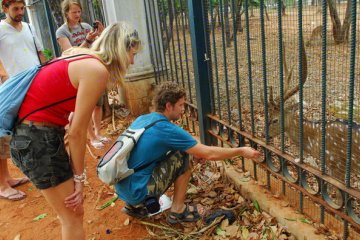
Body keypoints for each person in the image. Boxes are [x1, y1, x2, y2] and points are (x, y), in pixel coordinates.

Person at [10, 22, 141, 239]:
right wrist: (79, 180)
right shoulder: (97, 70)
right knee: (73, 214)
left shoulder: (79, 54)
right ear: (120, 49)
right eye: (132, 53)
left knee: (69, 215)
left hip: (30, 136)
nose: (132, 61)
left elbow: (69, 117)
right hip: (37, 139)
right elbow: (77, 132)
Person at [116, 82, 261, 224]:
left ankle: (136, 206)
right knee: (183, 155)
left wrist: (195, 150)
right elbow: (209, 153)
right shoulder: (166, 128)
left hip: (123, 188)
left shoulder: (144, 119)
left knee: (180, 150)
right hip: (138, 191)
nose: (183, 109)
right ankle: (178, 210)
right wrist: (241, 151)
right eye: (180, 105)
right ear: (168, 105)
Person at [0, 0, 46, 200]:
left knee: (22, 130)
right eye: (15, 9)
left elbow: (40, 52)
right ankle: (1, 185)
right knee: (2, 134)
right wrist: (4, 77)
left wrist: (46, 73)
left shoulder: (28, 26)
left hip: (34, 85)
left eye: (22, 8)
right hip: (11, 89)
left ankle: (8, 177)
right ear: (4, 8)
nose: (20, 13)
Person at [56, 0, 109, 149]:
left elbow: (99, 46)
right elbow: (70, 53)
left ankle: (98, 132)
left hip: (93, 69)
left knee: (97, 105)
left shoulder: (86, 27)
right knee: (84, 107)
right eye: (74, 12)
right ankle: (91, 137)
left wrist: (102, 33)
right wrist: (87, 40)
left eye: (79, 11)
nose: (77, 15)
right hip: (76, 74)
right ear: (66, 13)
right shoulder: (62, 32)